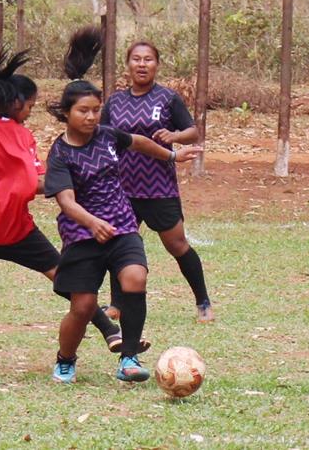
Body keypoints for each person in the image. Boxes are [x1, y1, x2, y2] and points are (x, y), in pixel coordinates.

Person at [0, 50, 142, 371]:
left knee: (60, 278)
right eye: (30, 105)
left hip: (7, 227)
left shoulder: (20, 134)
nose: (30, 112)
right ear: (16, 102)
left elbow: (35, 181)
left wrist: (65, 182)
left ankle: (111, 332)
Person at [44, 26, 201, 384]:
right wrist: (92, 223)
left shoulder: (107, 135)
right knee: (83, 307)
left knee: (135, 278)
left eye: (96, 110)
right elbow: (66, 202)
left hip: (122, 226)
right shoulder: (61, 152)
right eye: (83, 111)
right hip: (83, 235)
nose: (91, 117)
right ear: (67, 113)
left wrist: (172, 155)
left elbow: (143, 144)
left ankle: (128, 357)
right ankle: (65, 358)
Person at [100, 40, 214, 323]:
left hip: (158, 187)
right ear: (128, 64)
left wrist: (174, 137)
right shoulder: (115, 102)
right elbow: (101, 137)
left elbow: (193, 132)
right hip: (122, 187)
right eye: (136, 59)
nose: (142, 64)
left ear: (156, 64)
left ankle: (203, 301)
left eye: (148, 59)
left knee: (177, 245)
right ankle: (117, 304)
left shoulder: (167, 98)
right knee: (120, 244)